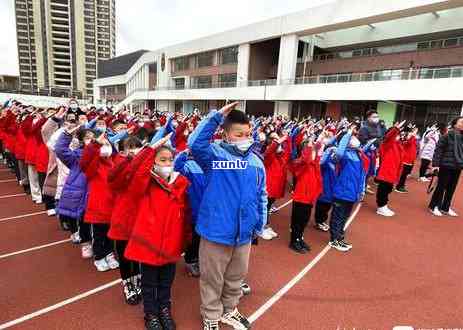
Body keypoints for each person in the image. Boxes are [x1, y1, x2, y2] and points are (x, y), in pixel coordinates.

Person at [188, 102, 267, 330]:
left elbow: (262, 194)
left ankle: (229, 309)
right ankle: (211, 314)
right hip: (216, 232)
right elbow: (195, 143)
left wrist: (258, 224)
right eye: (238, 134)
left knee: (235, 278)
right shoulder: (215, 156)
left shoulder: (255, 162)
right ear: (226, 134)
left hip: (243, 234)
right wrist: (216, 117)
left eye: (247, 134)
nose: (244, 138)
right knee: (212, 279)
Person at [124, 135, 190, 330]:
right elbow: (135, 171)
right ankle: (150, 313)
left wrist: (183, 241)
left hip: (170, 245)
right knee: (149, 282)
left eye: (170, 159)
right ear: (152, 163)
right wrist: (150, 150)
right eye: (162, 160)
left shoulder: (180, 184)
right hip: (148, 246)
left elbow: (184, 215)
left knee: (166, 282)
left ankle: (164, 309)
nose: (167, 163)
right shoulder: (145, 184)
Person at [108, 136, 143, 305]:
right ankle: (127, 284)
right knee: (123, 256)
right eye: (130, 147)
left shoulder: (144, 167)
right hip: (122, 220)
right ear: (121, 152)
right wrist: (127, 161)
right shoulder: (118, 167)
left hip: (139, 219)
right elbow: (114, 180)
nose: (134, 150)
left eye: (137, 147)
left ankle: (137, 280)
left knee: (137, 254)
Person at [80, 132, 119, 272]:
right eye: (103, 145)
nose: (105, 147)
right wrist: (96, 144)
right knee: (98, 235)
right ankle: (99, 256)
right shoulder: (94, 165)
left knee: (109, 234)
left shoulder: (112, 163)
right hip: (98, 207)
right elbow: (85, 161)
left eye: (107, 144)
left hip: (112, 206)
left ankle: (109, 254)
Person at [328, 127, 369, 251]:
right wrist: (348, 134)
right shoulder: (343, 154)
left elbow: (362, 175)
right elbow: (339, 153)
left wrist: (361, 190)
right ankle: (334, 240)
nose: (355, 138)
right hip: (342, 191)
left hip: (352, 193)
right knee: (338, 216)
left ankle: (340, 237)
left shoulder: (359, 155)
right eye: (353, 137)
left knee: (345, 217)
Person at [288, 137, 323, 254]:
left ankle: (300, 238)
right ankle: (294, 241)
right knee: (297, 221)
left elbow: (316, 159)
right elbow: (306, 159)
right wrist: (309, 146)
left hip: (309, 199)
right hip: (301, 197)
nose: (313, 154)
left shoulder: (313, 164)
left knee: (304, 220)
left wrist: (318, 145)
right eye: (310, 151)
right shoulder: (300, 162)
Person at [429, 116, 463, 217]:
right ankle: (433, 206)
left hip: (457, 166)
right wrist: (435, 165)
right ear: (455, 124)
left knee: (451, 188)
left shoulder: (462, 137)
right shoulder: (447, 135)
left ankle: (445, 207)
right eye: (461, 122)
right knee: (441, 187)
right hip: (446, 165)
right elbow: (438, 150)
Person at [375, 121, 406, 217]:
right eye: (397, 134)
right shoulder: (388, 143)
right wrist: (395, 129)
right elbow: (389, 137)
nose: (399, 136)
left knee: (388, 189)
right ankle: (381, 206)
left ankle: (384, 205)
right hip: (386, 171)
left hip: (393, 171)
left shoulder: (397, 144)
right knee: (383, 189)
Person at [395, 126, 418, 193]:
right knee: (403, 174)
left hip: (409, 159)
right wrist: (412, 136)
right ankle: (399, 186)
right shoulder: (407, 136)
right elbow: (408, 143)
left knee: (405, 174)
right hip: (405, 159)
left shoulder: (411, 137)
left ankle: (401, 185)